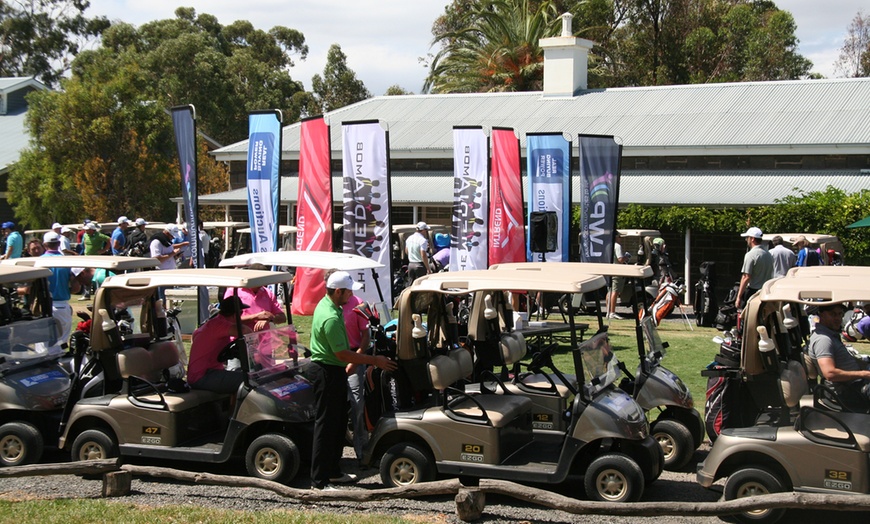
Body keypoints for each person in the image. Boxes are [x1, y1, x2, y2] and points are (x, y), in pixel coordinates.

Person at [308, 270, 396, 490]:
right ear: (338, 291)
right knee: (326, 426)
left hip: (334, 370)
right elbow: (343, 355)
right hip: (326, 371)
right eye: (348, 292)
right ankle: (318, 481)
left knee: (337, 425)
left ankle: (333, 472)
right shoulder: (330, 317)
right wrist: (374, 360)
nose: (351, 296)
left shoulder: (332, 306)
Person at [329, 268, 372, 463]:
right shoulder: (327, 308)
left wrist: (357, 358)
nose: (351, 294)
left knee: (357, 402)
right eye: (348, 290)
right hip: (334, 360)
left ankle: (361, 450)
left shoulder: (357, 305)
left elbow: (366, 335)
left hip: (354, 356)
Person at [188, 296, 251, 394]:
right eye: (241, 313)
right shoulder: (219, 324)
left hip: (210, 372)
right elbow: (245, 331)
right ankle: (246, 409)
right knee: (249, 380)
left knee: (245, 374)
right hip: (202, 376)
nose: (241, 316)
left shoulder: (215, 322)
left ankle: (232, 407)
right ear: (235, 315)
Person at [808, 303, 870, 401]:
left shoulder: (830, 335)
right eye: (833, 314)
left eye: (840, 314)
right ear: (822, 315)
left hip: (855, 385)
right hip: (847, 392)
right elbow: (830, 373)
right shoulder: (823, 340)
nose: (838, 318)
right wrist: (864, 374)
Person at [41, 232, 82, 351]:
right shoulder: (66, 261)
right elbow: (75, 288)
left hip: (45, 306)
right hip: (62, 305)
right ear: (58, 244)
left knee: (44, 346)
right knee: (61, 344)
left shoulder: (40, 262)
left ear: (45, 245)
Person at [223, 264, 286, 331]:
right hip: (240, 337)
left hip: (264, 339)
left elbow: (282, 318)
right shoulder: (233, 291)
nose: (262, 283)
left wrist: (269, 319)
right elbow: (227, 320)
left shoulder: (268, 293)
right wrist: (256, 317)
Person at [736, 227, 774, 309]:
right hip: (766, 291)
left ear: (752, 239)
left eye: (747, 238)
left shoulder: (751, 255)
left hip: (753, 291)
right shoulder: (768, 254)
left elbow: (746, 277)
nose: (746, 240)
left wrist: (739, 297)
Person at [607, 233, 629, 320]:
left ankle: (608, 312)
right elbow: (620, 259)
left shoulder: (608, 245)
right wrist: (626, 257)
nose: (620, 239)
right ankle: (612, 312)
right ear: (616, 237)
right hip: (616, 271)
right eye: (619, 237)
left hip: (609, 270)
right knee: (615, 292)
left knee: (609, 291)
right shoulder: (617, 246)